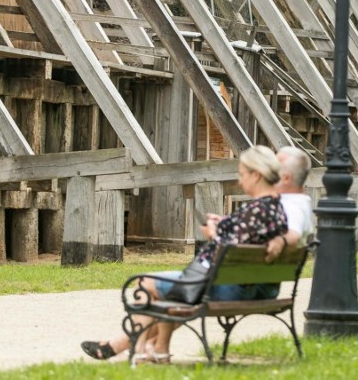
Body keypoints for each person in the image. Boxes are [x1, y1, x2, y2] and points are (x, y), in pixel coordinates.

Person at [80, 145, 287, 363]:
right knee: (166, 288)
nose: (239, 181)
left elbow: (226, 253)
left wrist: (213, 234)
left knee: (146, 283)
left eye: (242, 174)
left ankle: (138, 350)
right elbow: (247, 238)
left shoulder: (256, 210)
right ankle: (148, 348)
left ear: (256, 174)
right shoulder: (276, 209)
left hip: (232, 290)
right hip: (259, 287)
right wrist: (225, 222)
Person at [265, 147, 314, 262]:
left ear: (286, 178)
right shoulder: (297, 202)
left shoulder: (293, 206)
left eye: (274, 168)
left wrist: (280, 241)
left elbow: (294, 234)